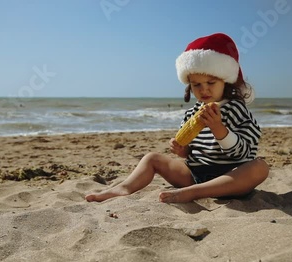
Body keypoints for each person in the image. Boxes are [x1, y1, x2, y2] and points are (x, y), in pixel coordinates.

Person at [85, 33, 269, 203]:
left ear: (225, 81)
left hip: (231, 177)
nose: (204, 89)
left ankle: (195, 192)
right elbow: (192, 154)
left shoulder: (236, 108)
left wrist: (219, 129)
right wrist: (182, 150)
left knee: (260, 167)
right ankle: (125, 188)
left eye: (211, 83)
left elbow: (244, 153)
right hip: (196, 174)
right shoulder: (191, 114)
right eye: (196, 85)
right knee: (151, 158)